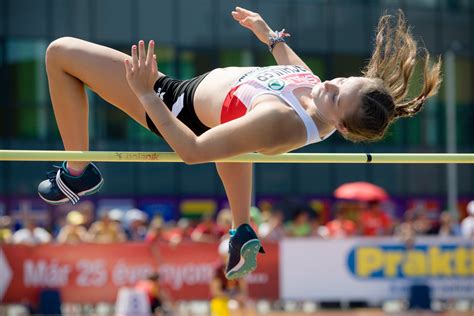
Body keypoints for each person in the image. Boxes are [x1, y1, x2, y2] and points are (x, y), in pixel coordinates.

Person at [36, 6, 441, 279]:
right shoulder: (319, 92)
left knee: (60, 53)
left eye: (337, 95)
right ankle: (241, 229)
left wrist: (144, 94)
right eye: (343, 80)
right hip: (206, 102)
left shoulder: (280, 120)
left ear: (345, 129)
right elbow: (295, 70)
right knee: (236, 132)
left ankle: (77, 174)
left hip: (172, 104)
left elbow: (193, 152)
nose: (331, 84)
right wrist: (269, 36)